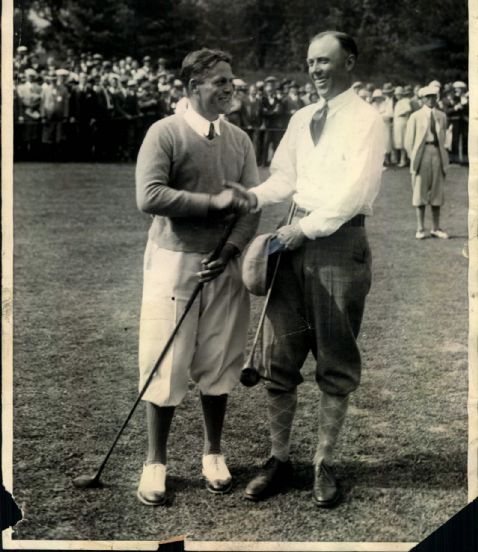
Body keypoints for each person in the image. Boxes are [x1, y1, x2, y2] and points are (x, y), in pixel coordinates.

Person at [228, 31, 387, 507]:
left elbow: (355, 192)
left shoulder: (367, 119)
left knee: (335, 358)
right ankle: (278, 459)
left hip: (338, 244)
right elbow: (286, 178)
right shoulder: (300, 118)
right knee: (280, 356)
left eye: (325, 61)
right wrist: (252, 196)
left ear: (350, 63)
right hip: (290, 243)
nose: (315, 69)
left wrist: (307, 229)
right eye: (311, 61)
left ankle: (324, 463)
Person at [135, 48, 260, 505]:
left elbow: (250, 205)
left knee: (220, 358)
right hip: (173, 260)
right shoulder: (164, 133)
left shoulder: (240, 141)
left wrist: (229, 250)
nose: (230, 88)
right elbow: (148, 195)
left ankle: (213, 453)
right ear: (192, 88)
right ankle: (155, 461)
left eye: (232, 81)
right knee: (165, 357)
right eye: (220, 82)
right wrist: (212, 204)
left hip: (223, 263)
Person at [404, 85, 449, 240]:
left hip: (437, 152)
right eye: (427, 97)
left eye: (433, 97)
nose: (431, 100)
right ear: (422, 99)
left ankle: (435, 228)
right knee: (420, 190)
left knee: (437, 190)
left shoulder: (441, 116)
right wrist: (414, 157)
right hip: (422, 155)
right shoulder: (415, 116)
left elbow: (444, 137)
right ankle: (420, 228)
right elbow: (409, 141)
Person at [392, 86, 413, 167]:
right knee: (400, 142)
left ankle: (403, 160)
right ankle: (402, 159)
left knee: (403, 141)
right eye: (397, 95)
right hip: (398, 123)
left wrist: (401, 114)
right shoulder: (399, 102)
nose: (397, 96)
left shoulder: (405, 101)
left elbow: (408, 109)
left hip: (402, 122)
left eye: (399, 94)